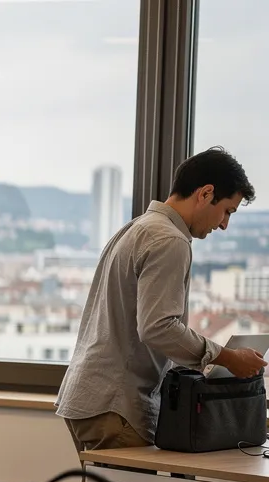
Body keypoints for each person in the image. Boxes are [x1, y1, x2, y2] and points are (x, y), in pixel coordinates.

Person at [58, 147, 264, 451]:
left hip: (90, 396)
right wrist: (228, 358)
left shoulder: (136, 229)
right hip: (118, 403)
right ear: (206, 194)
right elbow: (158, 328)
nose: (224, 225)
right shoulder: (170, 240)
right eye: (227, 211)